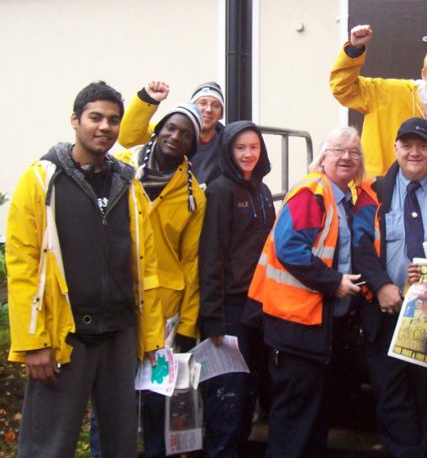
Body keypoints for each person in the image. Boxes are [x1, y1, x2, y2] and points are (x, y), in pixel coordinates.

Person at [6, 81, 164, 457]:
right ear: (75, 120)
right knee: (48, 446)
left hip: (120, 334)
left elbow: (146, 264)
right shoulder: (42, 180)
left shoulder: (129, 184)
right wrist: (33, 342)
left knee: (121, 444)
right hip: (65, 337)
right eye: (95, 117)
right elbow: (23, 263)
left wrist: (152, 338)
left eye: (113, 120)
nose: (104, 127)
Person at [352, 117, 427, 457]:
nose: (414, 152)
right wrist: (380, 286)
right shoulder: (372, 191)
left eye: (422, 145)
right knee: (391, 395)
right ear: (395, 149)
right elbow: (360, 245)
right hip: (387, 308)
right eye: (407, 145)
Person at [243, 126, 365, 457]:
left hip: (319, 327)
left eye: (354, 153)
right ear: (322, 156)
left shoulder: (344, 199)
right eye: (338, 149)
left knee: (313, 421)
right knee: (293, 425)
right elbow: (291, 248)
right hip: (295, 327)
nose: (346, 157)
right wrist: (333, 282)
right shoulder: (313, 191)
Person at [115, 83, 206, 457]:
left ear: (192, 145)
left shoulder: (193, 196)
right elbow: (125, 133)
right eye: (170, 127)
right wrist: (147, 101)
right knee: (114, 396)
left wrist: (187, 326)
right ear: (157, 130)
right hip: (118, 301)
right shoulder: (122, 169)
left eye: (185, 133)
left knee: (157, 401)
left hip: (165, 314)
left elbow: (193, 261)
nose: (176, 136)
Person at [198, 120, 275, 457]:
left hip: (259, 305)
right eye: (240, 148)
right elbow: (210, 256)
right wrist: (212, 317)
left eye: (253, 148)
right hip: (229, 309)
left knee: (248, 394)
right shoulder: (219, 191)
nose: (247, 154)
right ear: (228, 151)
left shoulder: (261, 190)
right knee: (227, 395)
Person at [330, 23, 427, 176]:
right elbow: (343, 88)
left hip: (416, 193)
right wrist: (354, 50)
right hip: (375, 189)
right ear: (424, 75)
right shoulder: (390, 92)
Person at [118, 80, 226, 185]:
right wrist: (148, 99)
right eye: (202, 103)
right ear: (192, 107)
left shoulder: (227, 144)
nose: (208, 109)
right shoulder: (166, 133)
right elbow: (128, 138)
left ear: (221, 114)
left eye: (216, 105)